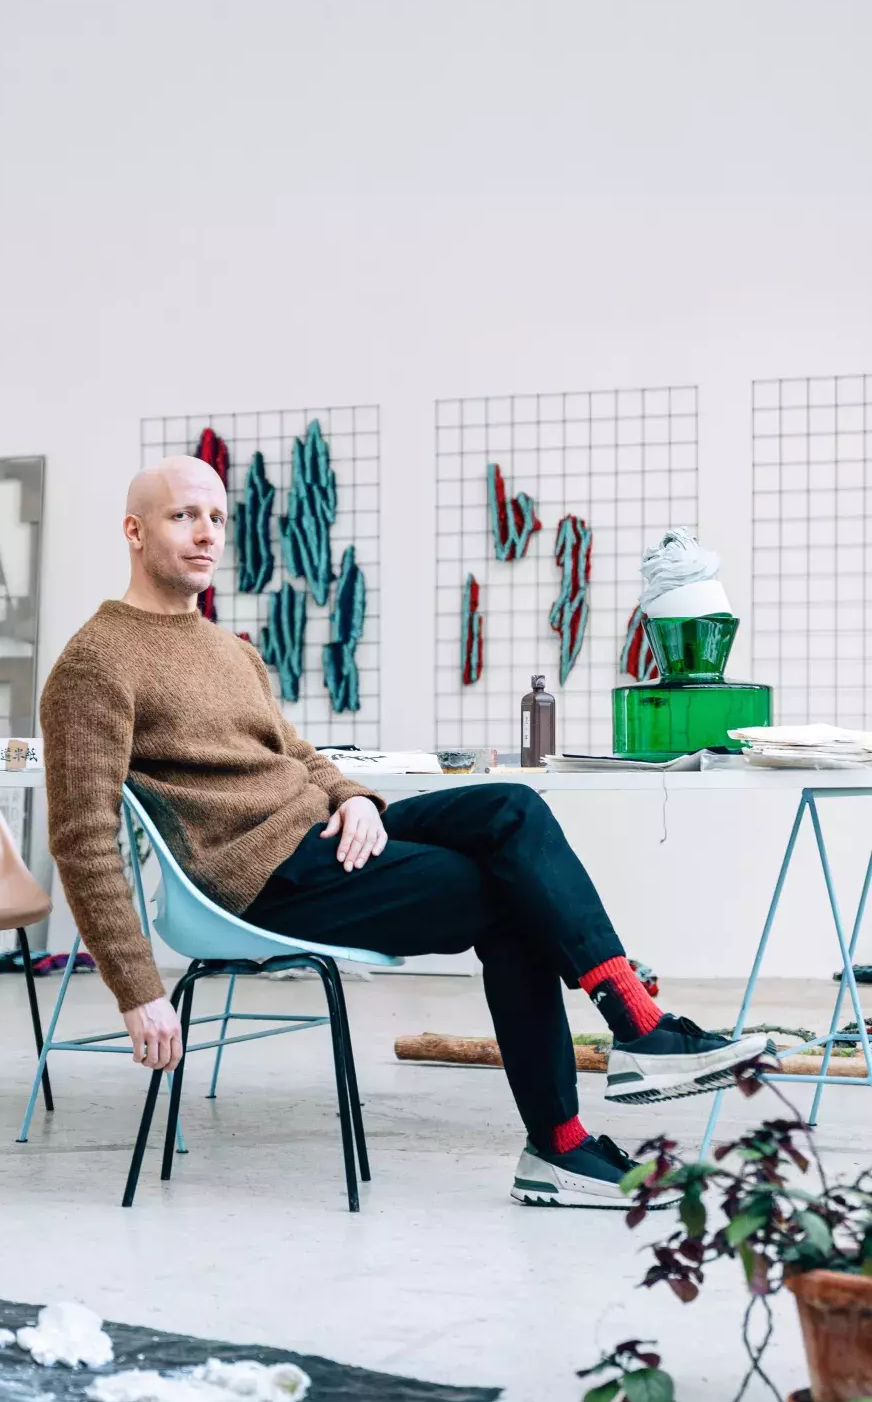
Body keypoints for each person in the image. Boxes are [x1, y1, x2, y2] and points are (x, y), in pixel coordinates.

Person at [40, 456, 768, 1208]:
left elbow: (298, 756)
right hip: (262, 877)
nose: (207, 534)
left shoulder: (234, 651)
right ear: (134, 531)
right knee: (507, 896)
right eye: (184, 516)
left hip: (326, 833)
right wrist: (137, 990)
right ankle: (569, 1134)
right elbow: (82, 837)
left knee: (512, 808)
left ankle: (634, 1029)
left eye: (218, 518)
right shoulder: (95, 664)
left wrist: (355, 798)